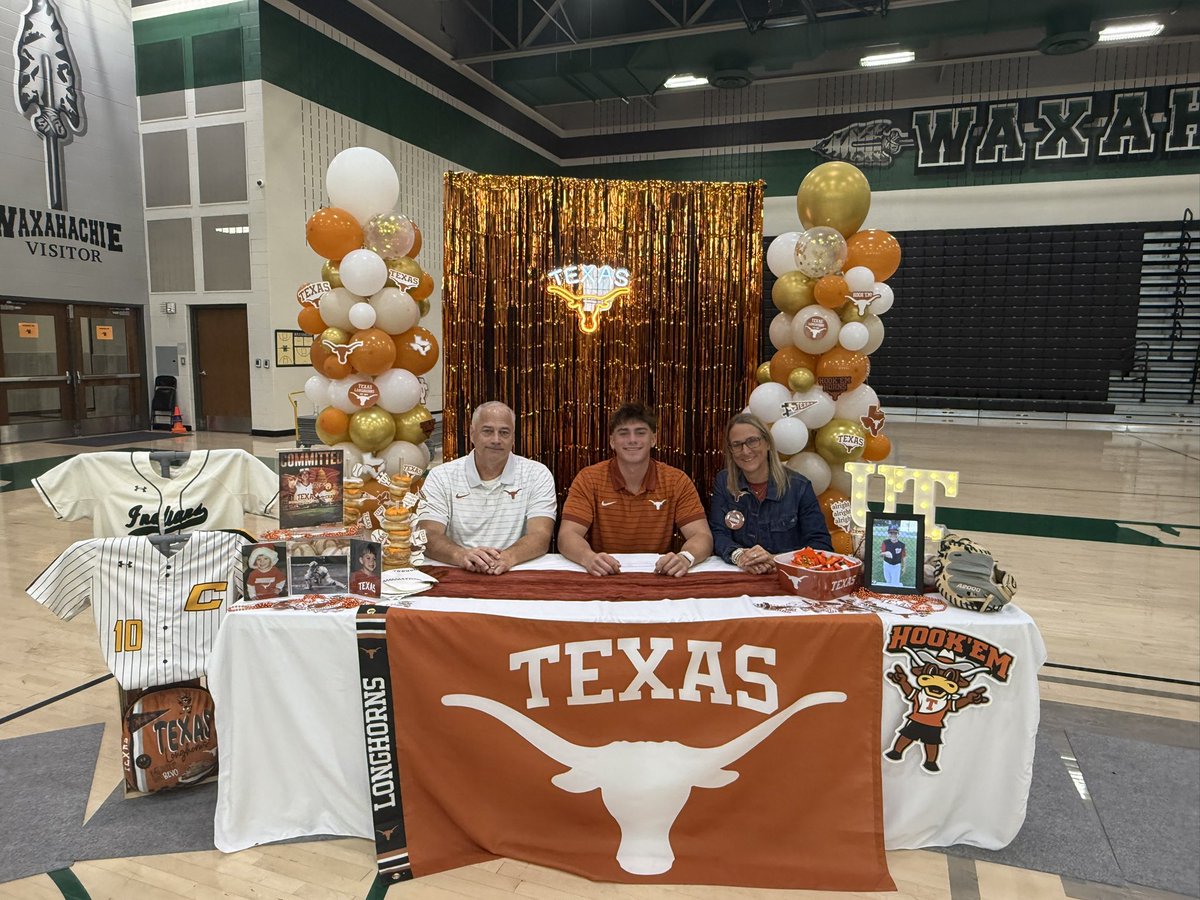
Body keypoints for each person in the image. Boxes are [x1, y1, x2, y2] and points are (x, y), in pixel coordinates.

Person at [559, 403, 712, 577]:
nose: (632, 439)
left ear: (653, 439)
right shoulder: (589, 479)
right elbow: (567, 535)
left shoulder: (677, 481)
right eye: (623, 433)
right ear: (612, 441)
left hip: (659, 576)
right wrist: (588, 558)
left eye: (640, 432)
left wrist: (685, 558)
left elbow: (702, 536)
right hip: (604, 576)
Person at [417, 401, 556, 575]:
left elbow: (541, 535)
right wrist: (461, 555)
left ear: (513, 438)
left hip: (515, 570)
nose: (496, 440)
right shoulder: (441, 476)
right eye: (488, 431)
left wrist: (508, 557)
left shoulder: (537, 474)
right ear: (472, 434)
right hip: (457, 571)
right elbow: (428, 533)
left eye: (504, 433)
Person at [709, 413, 833, 574]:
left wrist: (777, 560)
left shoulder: (799, 486)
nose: (745, 451)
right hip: (742, 574)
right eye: (737, 444)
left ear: (767, 443)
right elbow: (718, 534)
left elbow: (820, 545)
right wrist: (739, 555)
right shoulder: (724, 481)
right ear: (730, 450)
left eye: (752, 441)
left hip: (788, 578)